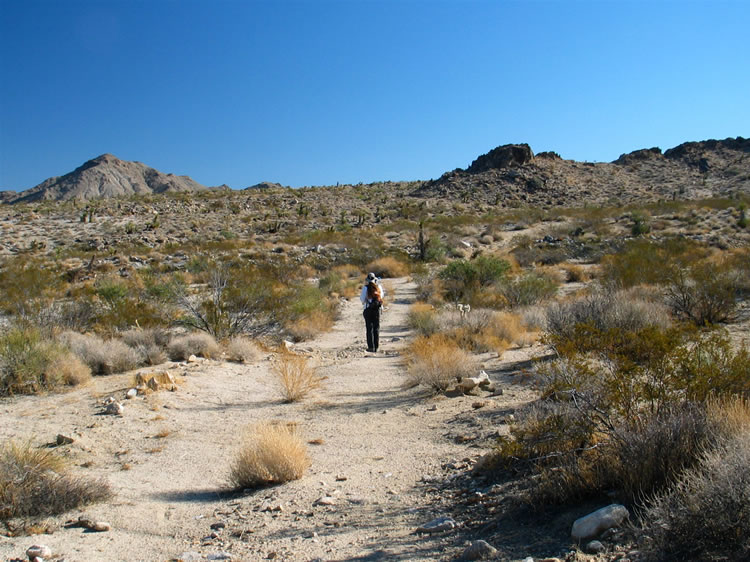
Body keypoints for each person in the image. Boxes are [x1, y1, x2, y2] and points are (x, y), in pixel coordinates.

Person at [360, 272, 385, 353]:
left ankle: (371, 347)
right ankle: (376, 346)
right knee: (376, 328)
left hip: (368, 309)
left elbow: (362, 300)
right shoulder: (379, 287)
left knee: (369, 328)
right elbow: (381, 297)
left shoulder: (365, 288)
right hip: (377, 310)